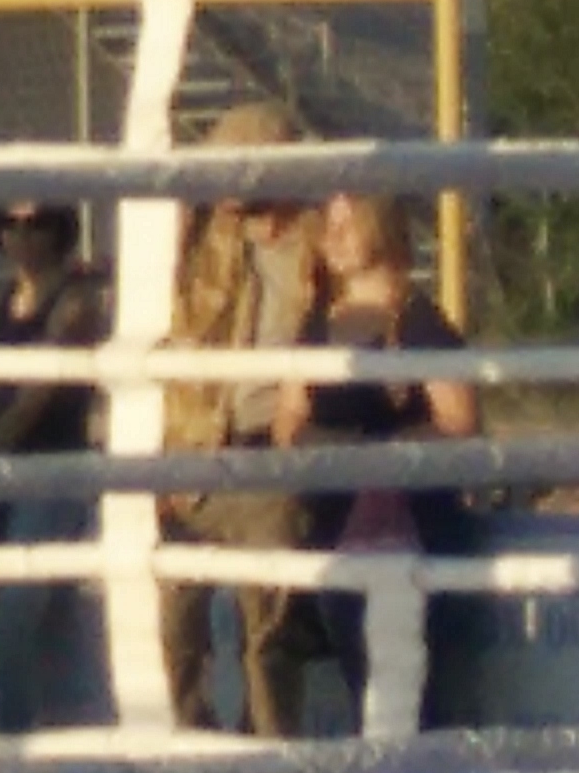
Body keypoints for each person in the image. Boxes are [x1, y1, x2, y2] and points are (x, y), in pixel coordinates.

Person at [273, 192, 479, 729]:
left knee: (406, 690)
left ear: (383, 226)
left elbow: (460, 424)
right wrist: (340, 452)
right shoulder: (316, 323)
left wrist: (378, 461)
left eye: (350, 222)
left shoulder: (419, 322)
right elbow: (287, 420)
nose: (333, 235)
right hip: (335, 527)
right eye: (329, 222)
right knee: (363, 684)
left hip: (414, 528)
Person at [156, 104, 324, 736]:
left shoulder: (318, 246)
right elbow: (164, 340)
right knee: (173, 622)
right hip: (191, 450)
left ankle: (269, 748)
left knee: (269, 629)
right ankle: (183, 742)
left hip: (269, 453)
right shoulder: (200, 243)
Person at [0, 204, 109, 732]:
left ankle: (8, 740)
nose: (21, 235)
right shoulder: (0, 304)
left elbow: (39, 393)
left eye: (36, 223)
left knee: (13, 618)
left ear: (59, 231)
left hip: (52, 473)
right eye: (10, 224)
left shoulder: (76, 302)